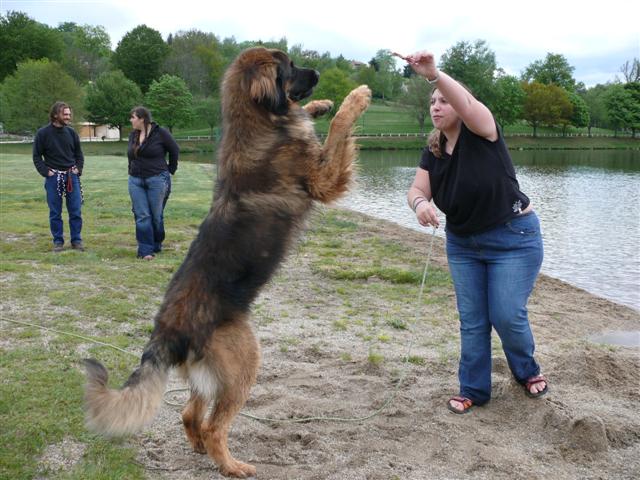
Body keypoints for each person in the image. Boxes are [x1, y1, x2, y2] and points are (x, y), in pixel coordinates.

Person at [402, 50, 548, 414]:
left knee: (507, 314)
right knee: (473, 321)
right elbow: (417, 191)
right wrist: (421, 206)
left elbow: (466, 103)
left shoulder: (483, 131)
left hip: (514, 238)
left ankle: (526, 371)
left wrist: (434, 75)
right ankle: (474, 390)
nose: (437, 106)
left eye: (443, 100)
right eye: (432, 102)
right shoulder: (433, 149)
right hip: (464, 244)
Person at [127, 106, 179, 260]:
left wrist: (170, 169)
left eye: (133, 117)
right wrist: (131, 169)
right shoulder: (133, 135)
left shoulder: (160, 133)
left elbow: (174, 150)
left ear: (142, 119)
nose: (131, 120)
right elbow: (131, 155)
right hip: (135, 180)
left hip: (157, 179)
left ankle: (156, 243)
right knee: (142, 215)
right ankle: (145, 250)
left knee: (156, 216)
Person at [33, 101, 85, 252]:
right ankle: (58, 241)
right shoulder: (43, 133)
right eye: (65, 114)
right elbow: (36, 156)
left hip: (71, 176)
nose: (68, 117)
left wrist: (78, 169)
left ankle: (76, 240)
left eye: (69, 114)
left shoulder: (71, 133)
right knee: (55, 211)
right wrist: (46, 172)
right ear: (56, 115)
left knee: (75, 210)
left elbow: (78, 154)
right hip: (53, 177)